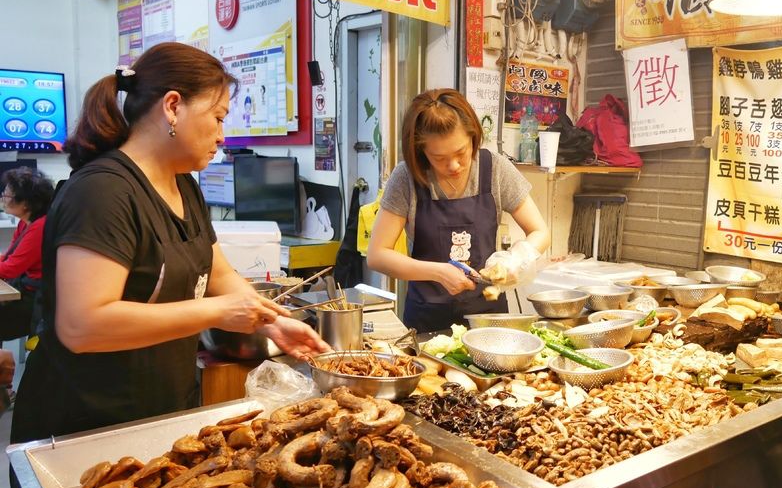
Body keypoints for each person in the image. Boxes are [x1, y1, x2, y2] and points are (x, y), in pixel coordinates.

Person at [11, 43, 328, 454]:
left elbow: (218, 275)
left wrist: (268, 322)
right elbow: (82, 325)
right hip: (85, 427)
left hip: (159, 412)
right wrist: (218, 313)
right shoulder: (103, 191)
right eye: (217, 118)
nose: (221, 135)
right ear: (173, 106)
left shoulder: (184, 187)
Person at [367, 88, 550, 331]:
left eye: (461, 153)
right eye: (439, 158)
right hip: (427, 320)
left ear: (473, 136)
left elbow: (540, 232)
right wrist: (438, 272)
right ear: (421, 151)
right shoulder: (407, 178)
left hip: (488, 317)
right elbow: (377, 255)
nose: (454, 165)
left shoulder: (495, 169)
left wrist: (517, 260)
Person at [0, 167, 54, 341]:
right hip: (24, 289)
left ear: (25, 203)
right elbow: (8, 258)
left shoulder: (39, 227)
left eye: (7, 195)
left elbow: (9, 270)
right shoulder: (26, 224)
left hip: (34, 300)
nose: (3, 198)